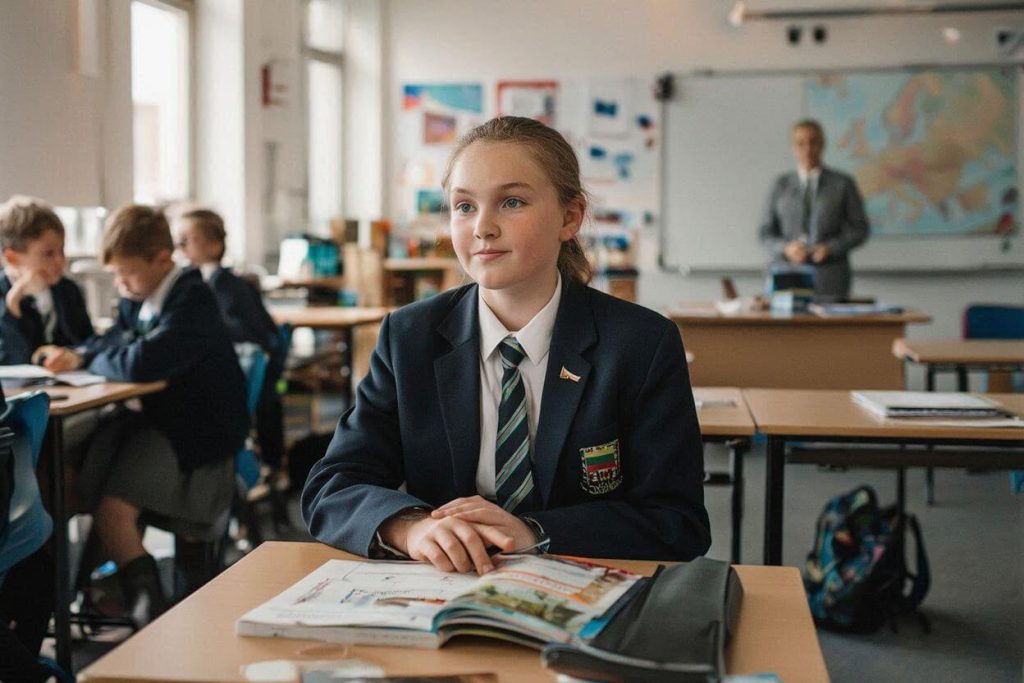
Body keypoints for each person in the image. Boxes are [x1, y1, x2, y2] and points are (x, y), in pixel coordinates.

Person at [303, 116, 710, 574]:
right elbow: (334, 486)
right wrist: (410, 527)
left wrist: (535, 532)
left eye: (511, 202)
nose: (483, 228)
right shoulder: (409, 336)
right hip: (446, 593)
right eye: (463, 206)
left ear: (569, 217)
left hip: (582, 593)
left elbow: (678, 522)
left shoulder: (640, 343)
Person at [34, 205, 249, 623]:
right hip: (153, 422)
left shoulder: (193, 299)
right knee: (74, 481)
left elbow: (141, 362)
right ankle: (100, 595)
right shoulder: (141, 295)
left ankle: (146, 612)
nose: (119, 285)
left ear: (162, 260)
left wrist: (89, 360)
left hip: (195, 433)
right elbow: (114, 340)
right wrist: (80, 354)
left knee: (113, 510)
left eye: (125, 275)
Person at [174, 208, 285, 471]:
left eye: (186, 239)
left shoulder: (223, 287)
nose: (178, 246)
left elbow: (243, 335)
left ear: (214, 246)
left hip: (242, 381)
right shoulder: (201, 282)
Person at [759, 119, 870, 300]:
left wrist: (831, 248)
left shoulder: (842, 184)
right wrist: (786, 248)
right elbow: (765, 233)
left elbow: (859, 229)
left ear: (822, 144)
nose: (808, 149)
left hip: (830, 279)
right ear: (793, 147)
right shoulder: (781, 185)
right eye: (801, 143)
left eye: (813, 142)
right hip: (786, 275)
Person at [0, 195, 93, 366]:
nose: (60, 261)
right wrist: (13, 303)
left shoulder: (67, 289)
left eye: (62, 250)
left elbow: (89, 342)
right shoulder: (4, 295)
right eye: (49, 253)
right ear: (12, 258)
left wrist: (73, 355)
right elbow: (10, 359)